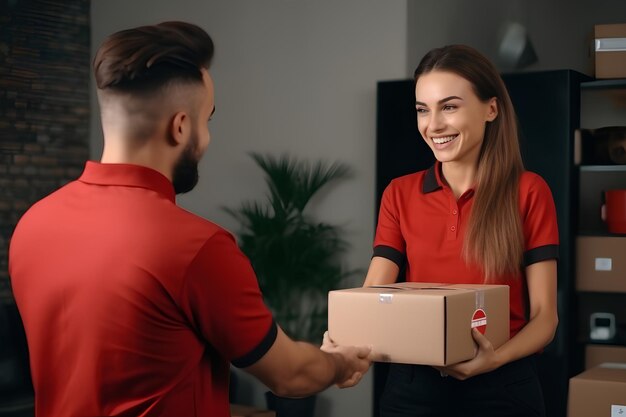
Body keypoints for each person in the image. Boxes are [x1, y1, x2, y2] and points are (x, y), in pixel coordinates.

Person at [8, 21, 372, 417]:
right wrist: (339, 361)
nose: (208, 138)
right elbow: (290, 375)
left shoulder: (32, 224)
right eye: (207, 120)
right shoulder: (197, 248)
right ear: (181, 127)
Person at [364, 44, 558, 417]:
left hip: (503, 384)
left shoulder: (528, 191)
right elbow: (374, 295)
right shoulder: (399, 193)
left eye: (449, 107)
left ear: (491, 109)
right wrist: (346, 334)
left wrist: (493, 359)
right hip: (412, 385)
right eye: (423, 110)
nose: (433, 125)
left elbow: (546, 318)